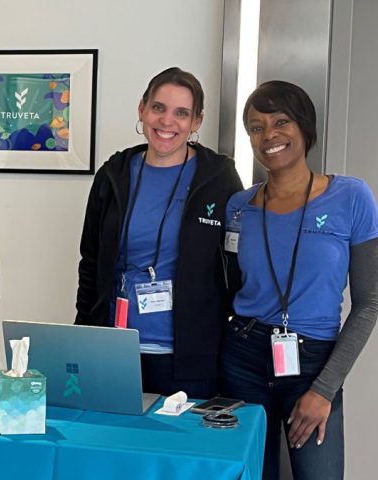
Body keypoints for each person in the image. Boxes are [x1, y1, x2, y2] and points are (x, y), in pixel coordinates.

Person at [220, 81, 378, 480]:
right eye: (256, 127)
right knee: (250, 475)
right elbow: (229, 285)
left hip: (313, 363)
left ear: (305, 127)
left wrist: (324, 389)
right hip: (243, 357)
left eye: (281, 121)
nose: (268, 135)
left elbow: (370, 301)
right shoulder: (239, 207)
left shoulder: (351, 196)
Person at [75, 67, 243, 398]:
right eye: (158, 108)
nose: (167, 122)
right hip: (114, 352)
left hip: (190, 358)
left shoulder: (219, 179)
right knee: (113, 447)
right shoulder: (114, 175)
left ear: (197, 122)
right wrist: (85, 338)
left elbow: (238, 266)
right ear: (142, 109)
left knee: (180, 449)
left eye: (182, 113)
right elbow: (90, 262)